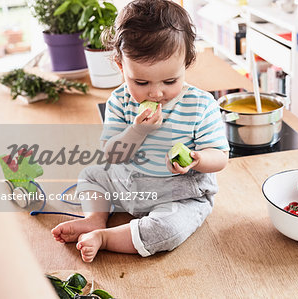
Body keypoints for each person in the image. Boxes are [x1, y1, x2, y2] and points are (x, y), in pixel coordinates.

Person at [51, 0, 229, 262]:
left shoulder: (201, 105)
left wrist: (197, 159)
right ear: (122, 67)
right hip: (128, 182)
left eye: (170, 81)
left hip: (180, 194)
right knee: (90, 174)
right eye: (141, 82)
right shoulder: (120, 101)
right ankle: (94, 218)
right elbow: (111, 154)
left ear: (186, 64)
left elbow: (220, 156)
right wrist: (137, 131)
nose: (156, 93)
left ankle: (106, 237)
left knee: (168, 229)